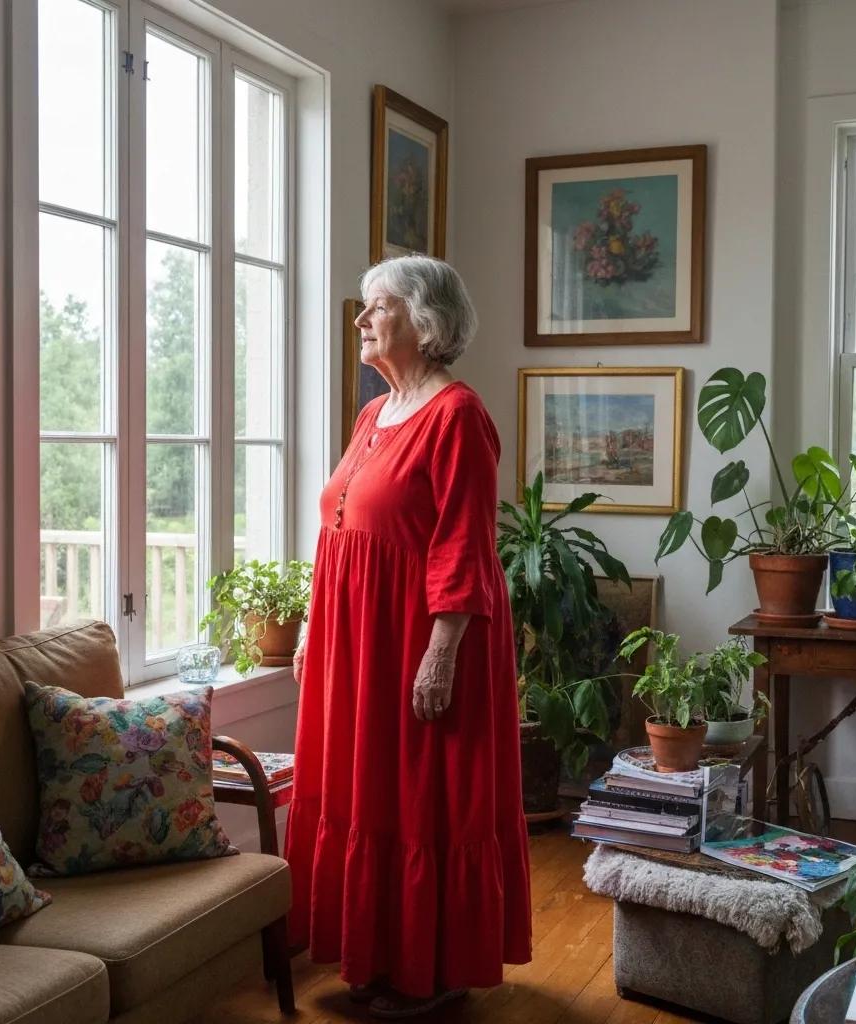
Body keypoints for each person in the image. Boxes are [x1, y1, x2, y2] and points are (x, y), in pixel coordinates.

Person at [284, 255, 532, 1019]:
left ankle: (432, 972)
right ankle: (375, 957)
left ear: (423, 322)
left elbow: (463, 545)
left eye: (376, 306)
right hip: (354, 639)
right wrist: (307, 624)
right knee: (369, 793)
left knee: (422, 798)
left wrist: (441, 652)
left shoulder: (458, 415)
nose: (361, 319)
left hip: (418, 639)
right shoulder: (371, 416)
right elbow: (340, 526)